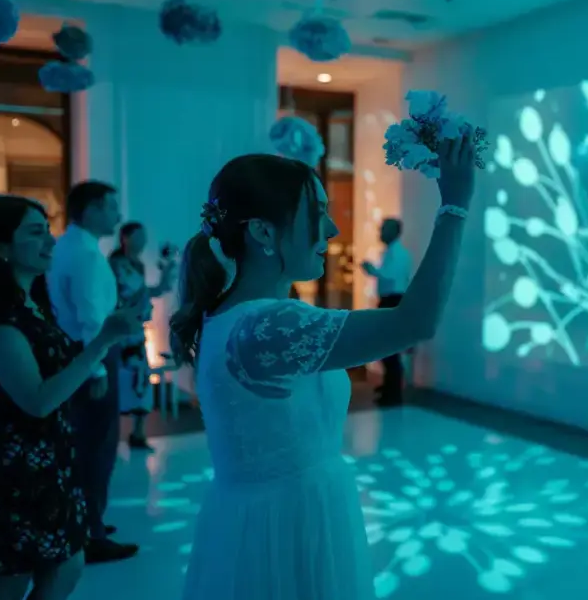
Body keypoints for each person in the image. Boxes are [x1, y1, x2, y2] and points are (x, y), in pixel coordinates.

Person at [169, 138, 475, 600]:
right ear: (264, 234)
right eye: (317, 213)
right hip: (290, 520)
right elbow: (416, 322)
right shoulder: (267, 325)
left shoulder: (235, 315)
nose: (330, 229)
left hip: (267, 513)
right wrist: (455, 205)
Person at [0, 195, 141, 600]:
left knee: (60, 566)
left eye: (47, 231)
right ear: (0, 246)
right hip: (14, 470)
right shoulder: (0, 320)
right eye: (36, 233)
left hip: (46, 460)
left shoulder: (32, 304)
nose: (50, 243)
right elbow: (36, 399)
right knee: (18, 577)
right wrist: (102, 343)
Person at [46, 181, 139, 563]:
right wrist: (98, 370)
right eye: (111, 206)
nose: (118, 215)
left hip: (81, 355)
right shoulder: (84, 254)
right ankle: (91, 533)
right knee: (97, 446)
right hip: (92, 356)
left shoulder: (71, 247)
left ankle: (88, 520)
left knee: (85, 444)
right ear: (90, 210)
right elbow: (90, 319)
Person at [108, 222, 177, 451]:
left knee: (140, 381)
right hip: (122, 331)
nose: (142, 241)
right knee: (120, 382)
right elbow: (130, 295)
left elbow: (148, 293)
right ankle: (114, 434)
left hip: (137, 330)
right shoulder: (117, 264)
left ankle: (137, 433)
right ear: (125, 238)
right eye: (138, 236)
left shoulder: (136, 264)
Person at [360, 217, 412, 406]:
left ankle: (393, 393)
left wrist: (372, 270)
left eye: (383, 229)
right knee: (387, 349)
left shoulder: (398, 254)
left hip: (393, 300)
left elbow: (391, 276)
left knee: (389, 349)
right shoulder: (392, 252)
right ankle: (390, 389)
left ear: (393, 231)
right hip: (391, 301)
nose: (379, 232)